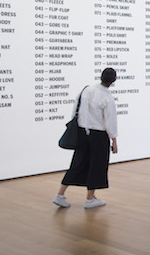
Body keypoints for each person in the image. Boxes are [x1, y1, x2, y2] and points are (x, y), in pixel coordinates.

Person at [53, 68, 119, 209]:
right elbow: (110, 122)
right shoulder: (107, 98)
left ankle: (60, 194)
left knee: (77, 164)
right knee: (97, 166)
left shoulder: (86, 90)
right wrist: (114, 141)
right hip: (99, 136)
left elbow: (75, 109)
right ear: (113, 81)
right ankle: (90, 199)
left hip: (82, 132)